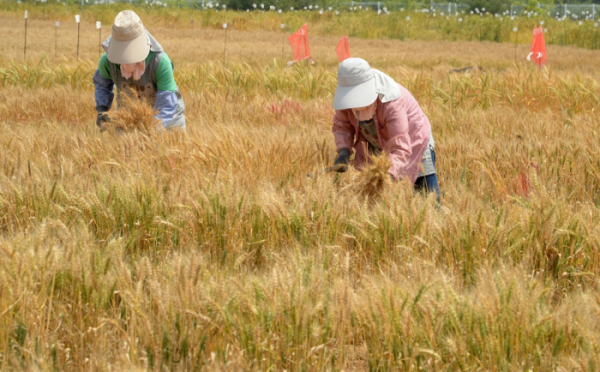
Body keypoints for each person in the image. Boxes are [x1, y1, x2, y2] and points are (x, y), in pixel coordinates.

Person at [331, 58, 439, 198]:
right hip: (376, 144)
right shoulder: (346, 101)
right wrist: (343, 151)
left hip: (413, 141)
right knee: (374, 198)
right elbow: (342, 125)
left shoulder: (391, 102)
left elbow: (401, 148)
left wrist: (389, 175)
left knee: (427, 195)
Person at [93, 10, 185, 131]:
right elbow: (102, 85)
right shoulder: (107, 61)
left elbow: (167, 104)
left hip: (167, 115)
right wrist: (102, 110)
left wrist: (154, 129)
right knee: (126, 148)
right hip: (129, 115)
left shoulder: (160, 62)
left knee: (168, 147)